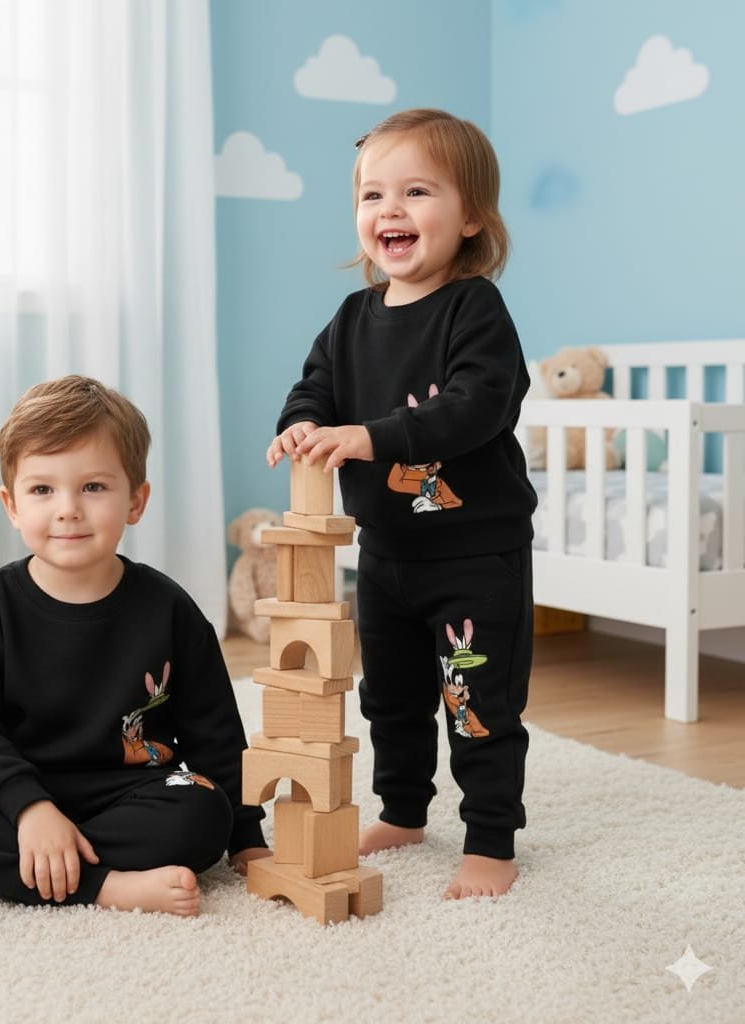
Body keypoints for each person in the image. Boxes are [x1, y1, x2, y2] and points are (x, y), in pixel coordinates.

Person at [266, 109, 537, 900]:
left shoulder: (475, 309)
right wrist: (301, 424)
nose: (391, 209)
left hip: (474, 557)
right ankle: (404, 810)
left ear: (471, 216)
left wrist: (371, 437)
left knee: (475, 702)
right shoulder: (352, 319)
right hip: (384, 554)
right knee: (390, 699)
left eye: (417, 191)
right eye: (373, 194)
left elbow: (474, 408)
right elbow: (313, 388)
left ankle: (491, 840)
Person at [0, 375, 268, 917]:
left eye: (93, 487)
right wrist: (30, 808)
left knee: (204, 812)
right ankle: (104, 886)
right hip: (15, 798)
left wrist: (246, 836)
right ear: (12, 505)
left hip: (130, 794)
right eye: (42, 490)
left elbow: (215, 728)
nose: (68, 509)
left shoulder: (169, 608)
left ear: (136, 500)